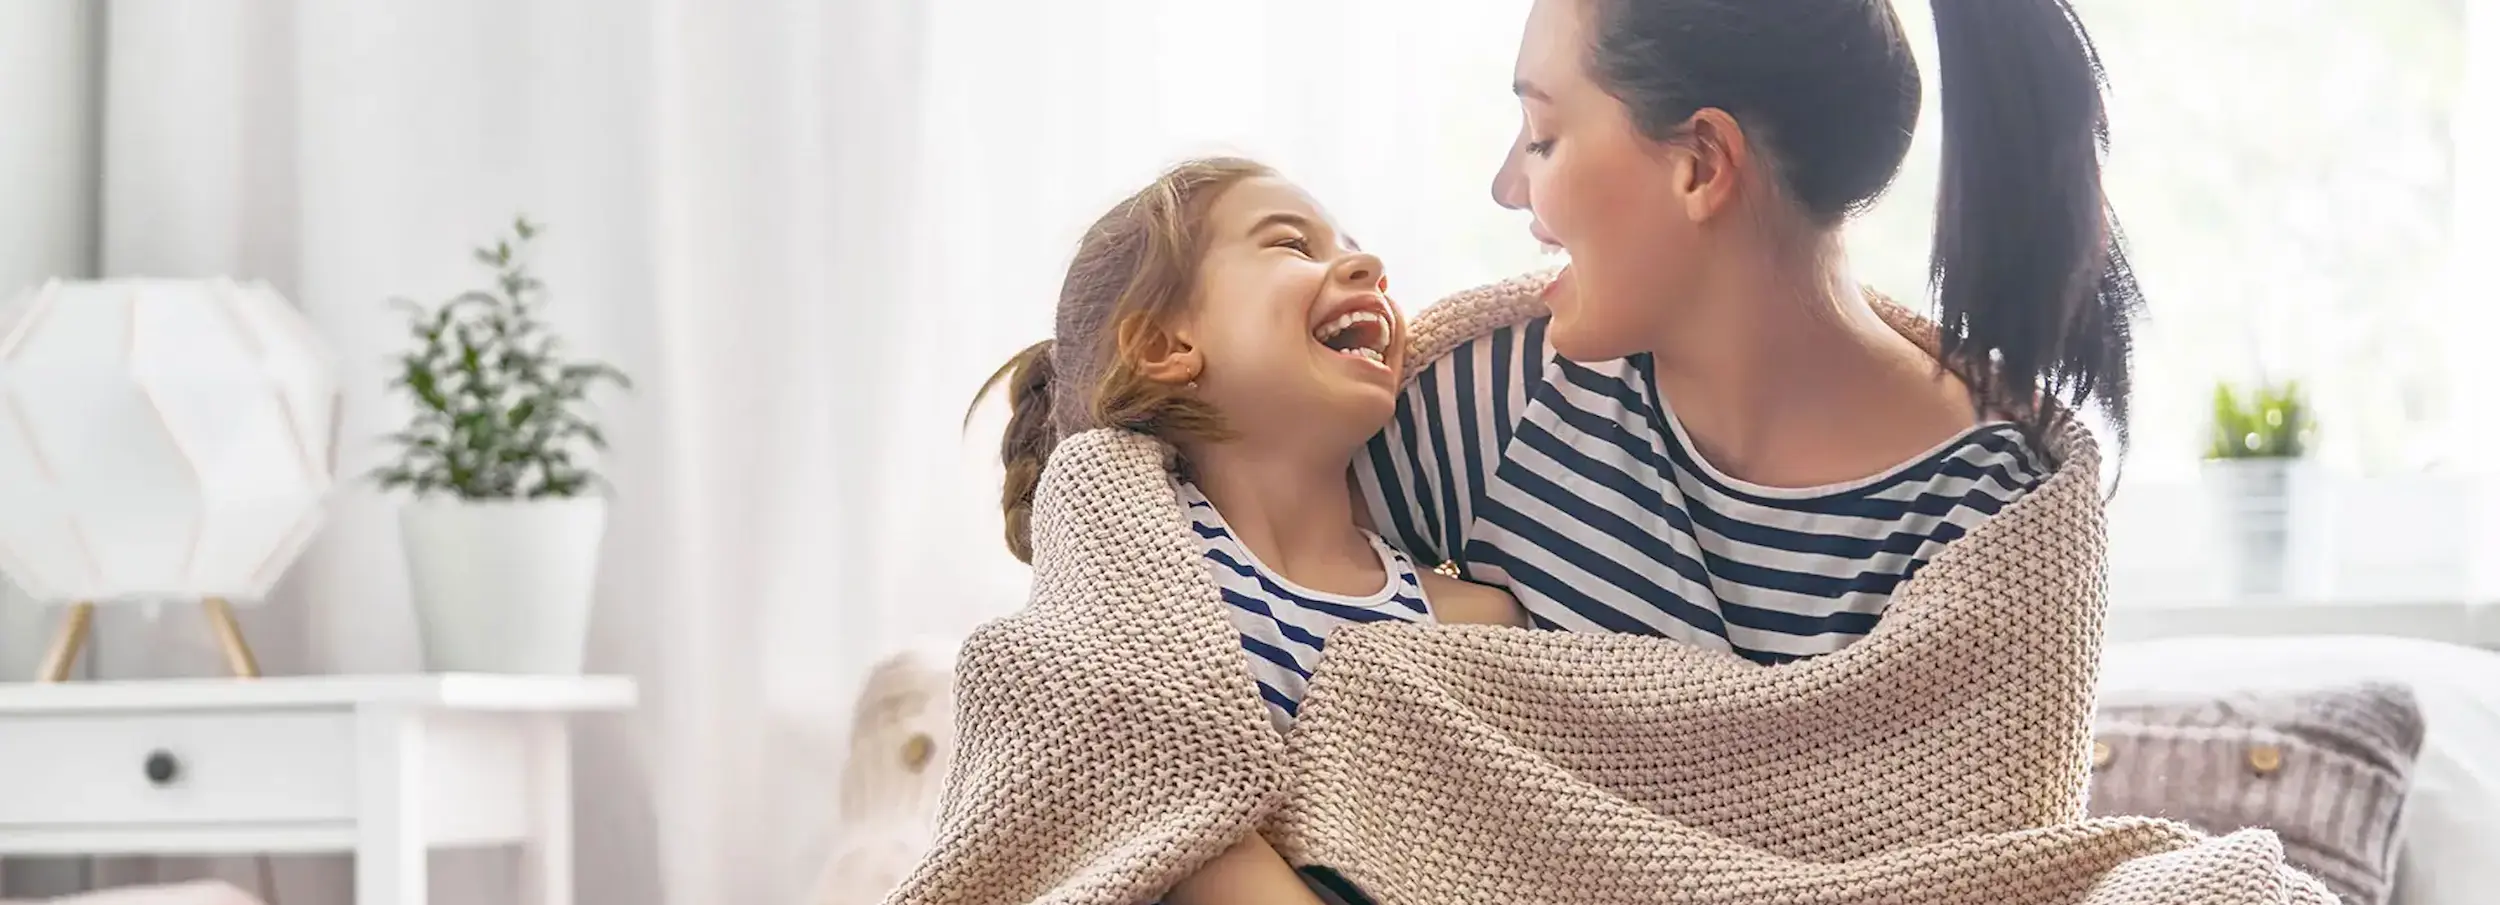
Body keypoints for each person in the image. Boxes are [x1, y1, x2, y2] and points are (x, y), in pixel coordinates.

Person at [1357, 0, 2141, 665]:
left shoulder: (1993, 519)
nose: (1507, 186)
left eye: (1542, 135)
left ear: (1701, 163)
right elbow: (1250, 609)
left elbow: (1981, 850)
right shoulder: (1492, 403)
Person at [972, 156, 1524, 905]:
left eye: (1347, 244)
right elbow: (1120, 762)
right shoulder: (1135, 571)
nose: (1366, 264)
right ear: (1166, 347)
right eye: (1293, 245)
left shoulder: (1475, 619)